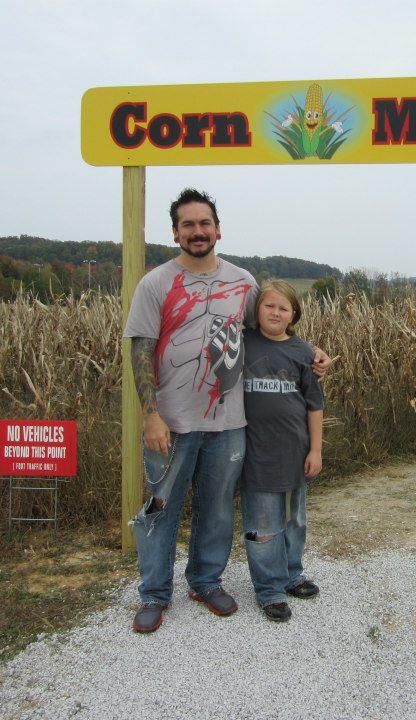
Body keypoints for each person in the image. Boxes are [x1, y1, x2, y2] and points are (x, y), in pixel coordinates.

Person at [124, 189, 329, 634]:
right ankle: (154, 593)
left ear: (218, 230)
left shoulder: (244, 282)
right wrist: (150, 414)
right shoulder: (155, 284)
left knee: (217, 509)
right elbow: (140, 350)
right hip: (172, 423)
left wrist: (311, 352)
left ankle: (205, 581)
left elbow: (273, 329)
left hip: (229, 423)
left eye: (205, 223)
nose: (197, 231)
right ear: (175, 233)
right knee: (160, 508)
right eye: (188, 225)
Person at [240, 280, 324, 622]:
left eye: (283, 308)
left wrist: (316, 450)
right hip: (255, 454)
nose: (275, 313)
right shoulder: (243, 343)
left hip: (294, 454)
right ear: (256, 310)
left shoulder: (304, 353)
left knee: (294, 520)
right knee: (263, 526)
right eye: (268, 305)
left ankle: (292, 573)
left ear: (294, 314)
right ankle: (268, 589)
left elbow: (315, 406)